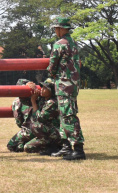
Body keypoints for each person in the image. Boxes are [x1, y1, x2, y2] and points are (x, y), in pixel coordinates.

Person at [47, 17, 86, 160]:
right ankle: (66, 147)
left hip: (63, 84)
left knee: (68, 116)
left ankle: (78, 149)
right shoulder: (73, 43)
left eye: (56, 29)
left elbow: (52, 66)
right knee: (65, 114)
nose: (55, 31)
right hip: (73, 84)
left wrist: (51, 74)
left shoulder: (59, 44)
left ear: (61, 29)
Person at [22, 79, 61, 155]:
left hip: (56, 134)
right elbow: (24, 101)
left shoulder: (52, 102)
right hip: (48, 133)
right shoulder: (43, 99)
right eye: (42, 87)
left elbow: (39, 118)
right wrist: (28, 85)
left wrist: (33, 101)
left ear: (51, 91)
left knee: (35, 125)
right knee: (28, 147)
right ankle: (49, 147)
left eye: (45, 88)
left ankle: (54, 147)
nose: (42, 89)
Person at [7, 78, 36, 152]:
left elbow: (19, 122)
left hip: (28, 130)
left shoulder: (17, 102)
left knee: (12, 145)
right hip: (40, 129)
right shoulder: (37, 96)